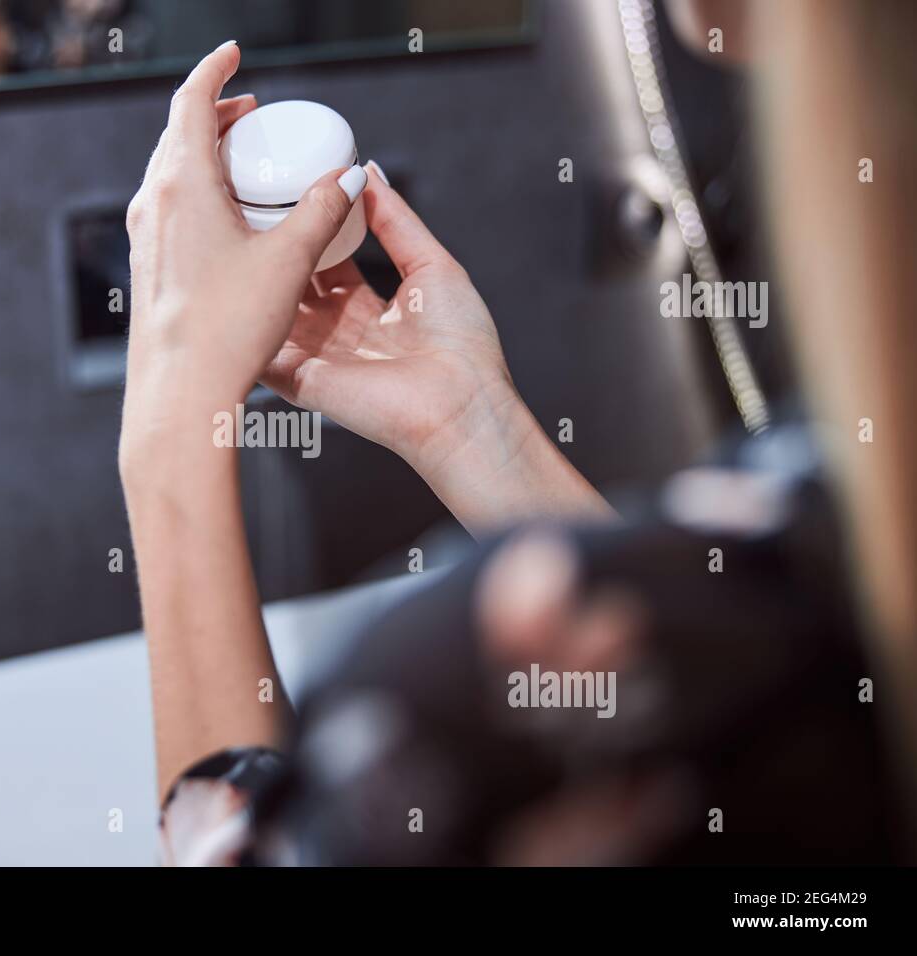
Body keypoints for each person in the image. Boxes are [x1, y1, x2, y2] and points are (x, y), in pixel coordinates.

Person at [119, 0, 916, 865]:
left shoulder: (449, 695)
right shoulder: (845, 542)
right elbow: (729, 673)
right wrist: (469, 426)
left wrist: (171, 427)